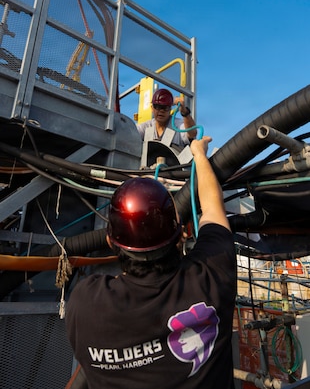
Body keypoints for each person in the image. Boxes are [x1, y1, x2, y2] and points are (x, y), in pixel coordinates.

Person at [65, 136, 237, 389]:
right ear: (181, 234)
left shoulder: (84, 304)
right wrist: (199, 154)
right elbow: (212, 207)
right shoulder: (212, 276)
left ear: (110, 241)